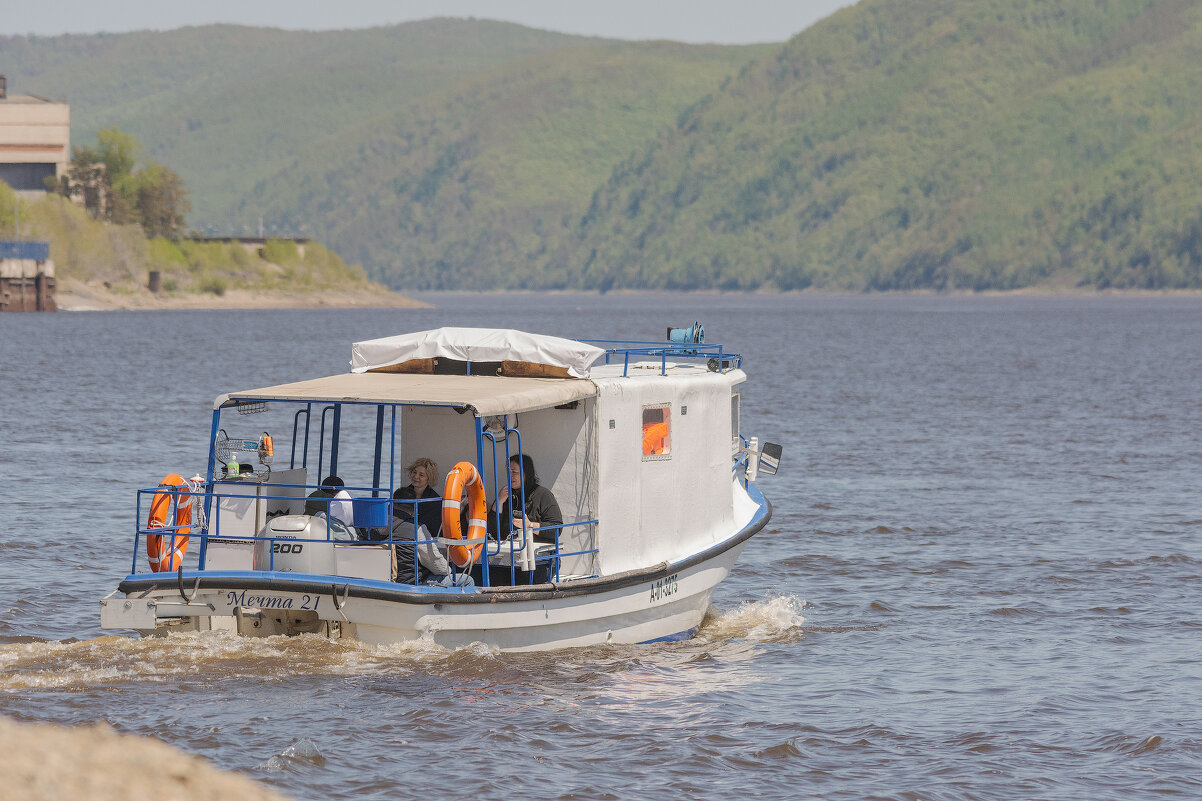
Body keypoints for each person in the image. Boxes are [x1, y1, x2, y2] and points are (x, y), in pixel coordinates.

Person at [391, 458, 446, 583]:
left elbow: (434, 528)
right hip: (404, 539)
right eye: (414, 472)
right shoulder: (402, 494)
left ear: (429, 478)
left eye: (421, 475)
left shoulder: (434, 500)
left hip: (427, 541)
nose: (416, 477)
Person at [491, 454, 563, 544]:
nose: (510, 476)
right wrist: (499, 502)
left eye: (514, 472)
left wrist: (530, 525)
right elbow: (491, 531)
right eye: (508, 472)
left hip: (537, 552)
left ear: (526, 473)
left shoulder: (543, 494)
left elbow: (557, 529)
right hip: (508, 551)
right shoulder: (506, 495)